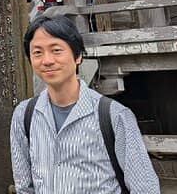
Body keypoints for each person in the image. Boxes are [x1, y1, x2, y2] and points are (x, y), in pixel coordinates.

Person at [11, 16, 160, 194]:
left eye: (56, 50)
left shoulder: (113, 115)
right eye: (37, 52)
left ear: (78, 56)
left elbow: (144, 187)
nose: (47, 60)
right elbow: (24, 187)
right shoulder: (24, 114)